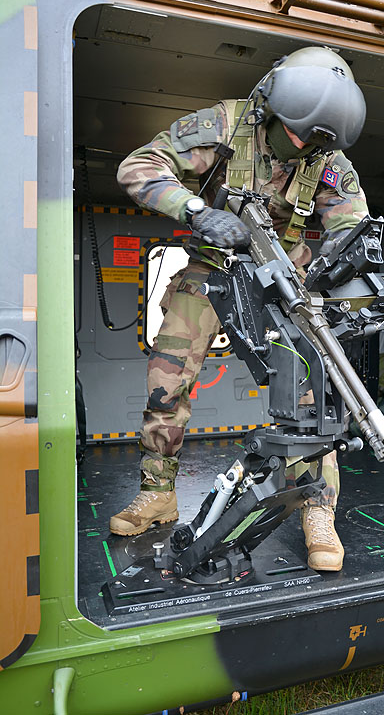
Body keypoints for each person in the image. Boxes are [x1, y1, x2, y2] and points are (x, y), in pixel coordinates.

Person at [110, 46, 369, 572]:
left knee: (312, 394)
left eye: (315, 143)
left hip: (283, 279)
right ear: (272, 111)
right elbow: (138, 166)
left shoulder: (324, 155)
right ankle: (158, 495)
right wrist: (197, 211)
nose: (303, 151)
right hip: (212, 269)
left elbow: (350, 220)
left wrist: (333, 268)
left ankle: (318, 508)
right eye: (296, 137)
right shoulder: (223, 126)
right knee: (166, 380)